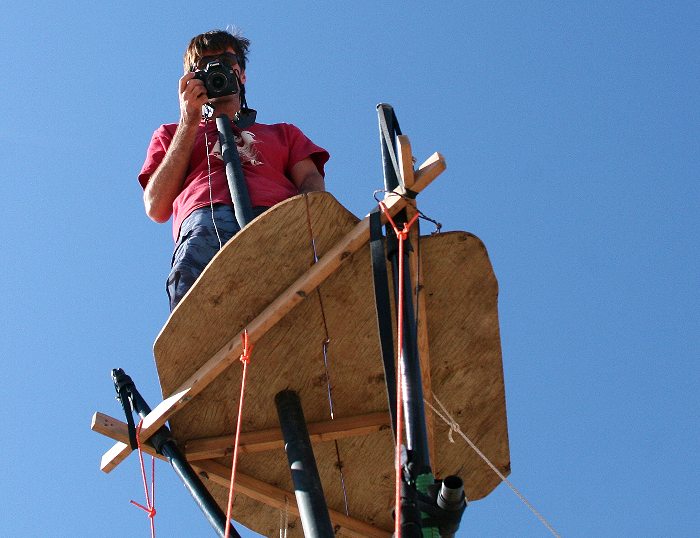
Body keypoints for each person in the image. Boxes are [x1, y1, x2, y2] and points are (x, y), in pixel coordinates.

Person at [138, 29, 329, 311]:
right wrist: (189, 121)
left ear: (241, 73)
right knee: (196, 298)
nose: (218, 69)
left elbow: (311, 180)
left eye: (227, 61)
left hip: (278, 218)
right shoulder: (172, 133)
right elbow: (156, 206)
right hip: (205, 220)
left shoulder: (283, 133)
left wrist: (302, 224)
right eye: (204, 65)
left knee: (296, 311)